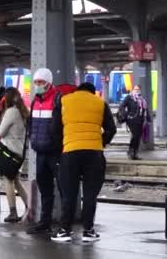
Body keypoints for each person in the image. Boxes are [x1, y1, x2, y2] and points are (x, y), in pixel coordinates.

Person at [51, 82, 116, 242]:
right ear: (92, 92)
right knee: (90, 194)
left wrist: (63, 145)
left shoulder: (64, 101)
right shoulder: (100, 103)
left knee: (69, 194)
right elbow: (111, 129)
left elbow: (54, 129)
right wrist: (101, 142)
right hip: (94, 153)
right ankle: (88, 231)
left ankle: (65, 230)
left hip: (70, 153)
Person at [26, 68, 61, 234]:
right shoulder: (36, 101)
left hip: (54, 152)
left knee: (63, 187)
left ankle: (64, 225)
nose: (38, 85)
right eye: (36, 83)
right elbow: (31, 123)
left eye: (41, 82)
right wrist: (32, 139)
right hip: (40, 151)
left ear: (48, 83)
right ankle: (45, 223)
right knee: (45, 188)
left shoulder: (57, 99)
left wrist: (57, 144)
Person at [0, 87, 29, 223]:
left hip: (9, 151)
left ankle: (13, 212)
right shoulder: (22, 111)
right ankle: (29, 207)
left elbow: (0, 133)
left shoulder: (11, 112)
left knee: (8, 180)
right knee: (16, 181)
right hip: (19, 151)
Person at [119, 85, 151, 160]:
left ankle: (135, 153)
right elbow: (122, 106)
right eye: (135, 89)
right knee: (135, 135)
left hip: (140, 120)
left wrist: (148, 119)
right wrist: (126, 114)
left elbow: (145, 110)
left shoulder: (142, 100)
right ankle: (131, 151)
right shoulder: (129, 97)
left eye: (138, 89)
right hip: (131, 119)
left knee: (138, 137)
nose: (137, 90)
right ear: (133, 89)